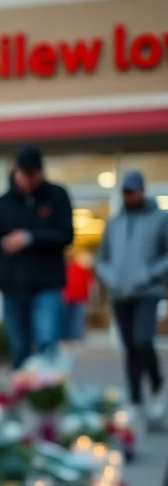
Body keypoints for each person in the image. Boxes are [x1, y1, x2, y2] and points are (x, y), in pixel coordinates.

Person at [0, 146, 74, 368]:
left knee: (46, 341)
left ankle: (47, 395)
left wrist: (30, 238)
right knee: (19, 346)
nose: (30, 180)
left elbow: (66, 235)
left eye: (34, 174)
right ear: (16, 172)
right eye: (25, 174)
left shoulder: (56, 197)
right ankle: (22, 395)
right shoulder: (2, 204)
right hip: (13, 287)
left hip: (47, 284)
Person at [94, 170, 168, 426]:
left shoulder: (160, 219)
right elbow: (101, 258)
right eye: (125, 191)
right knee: (130, 349)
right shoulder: (114, 223)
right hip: (120, 293)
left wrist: (149, 273)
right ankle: (136, 400)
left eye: (132, 191)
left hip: (147, 292)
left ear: (142, 191)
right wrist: (109, 276)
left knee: (143, 340)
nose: (128, 195)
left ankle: (157, 385)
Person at [60, 252, 92, 347]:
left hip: (68, 296)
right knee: (77, 319)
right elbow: (87, 282)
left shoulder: (66, 268)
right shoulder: (81, 268)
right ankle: (76, 337)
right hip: (76, 296)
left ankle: (67, 336)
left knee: (66, 318)